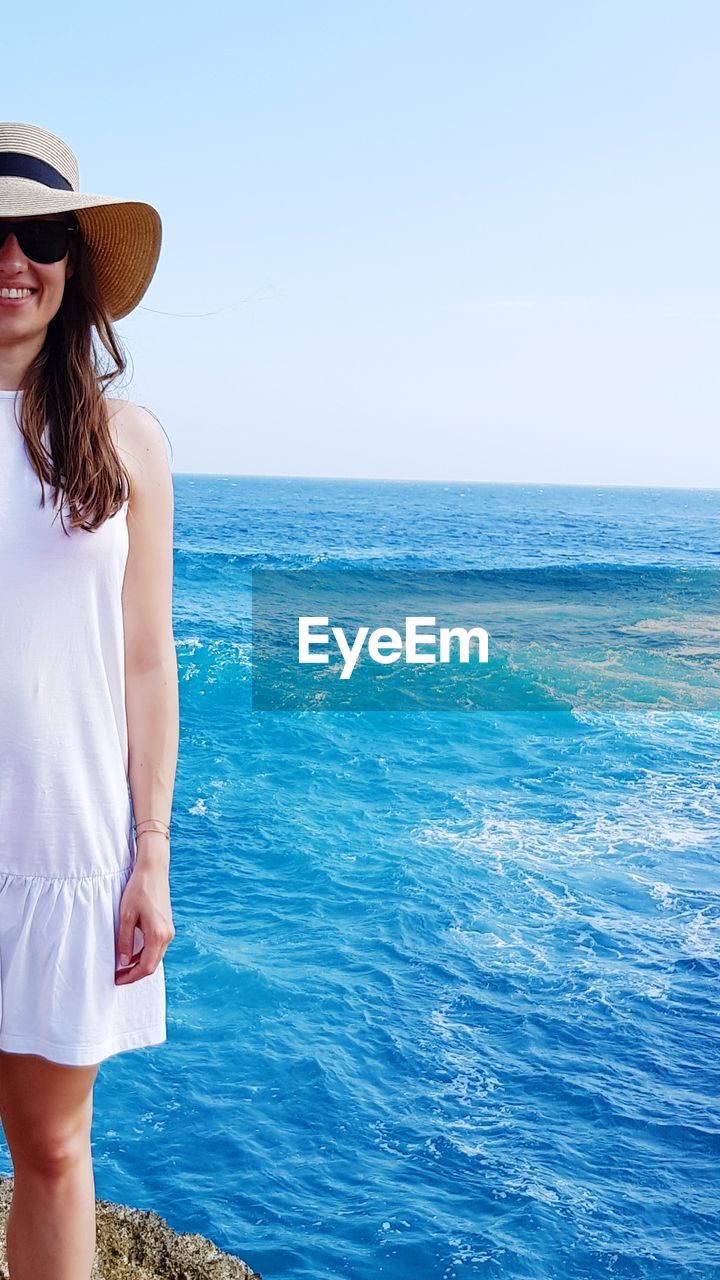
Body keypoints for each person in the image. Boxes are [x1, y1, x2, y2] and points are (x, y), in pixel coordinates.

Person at [0, 122, 178, 1278]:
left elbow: (146, 659)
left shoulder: (123, 440)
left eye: (42, 236)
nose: (14, 260)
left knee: (55, 1147)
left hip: (61, 843)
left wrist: (149, 853)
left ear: (76, 263)